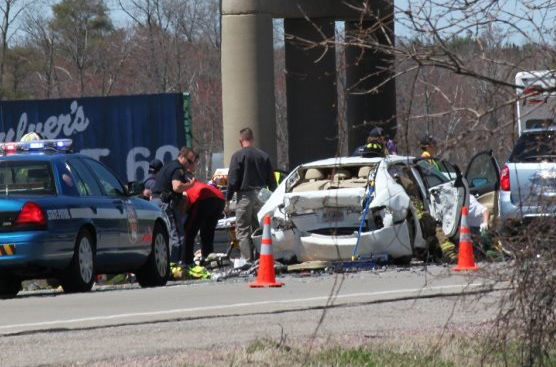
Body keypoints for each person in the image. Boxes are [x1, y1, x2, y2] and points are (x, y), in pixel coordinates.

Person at [226, 127, 276, 264]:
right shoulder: (263, 156)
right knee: (259, 228)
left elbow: (233, 180)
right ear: (252, 139)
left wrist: (228, 198)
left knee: (242, 229)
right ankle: (262, 258)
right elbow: (271, 181)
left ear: (240, 140)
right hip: (261, 195)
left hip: (244, 196)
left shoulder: (237, 156)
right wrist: (274, 197)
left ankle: (248, 260)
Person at [151, 147, 197, 263]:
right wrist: (190, 185)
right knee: (178, 235)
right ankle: (176, 265)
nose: (190, 165)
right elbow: (177, 187)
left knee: (161, 237)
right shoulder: (177, 169)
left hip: (156, 202)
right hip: (165, 203)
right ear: (181, 157)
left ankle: (165, 265)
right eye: (189, 161)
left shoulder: (169, 165)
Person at [183, 181, 226, 265]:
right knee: (208, 231)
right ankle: (208, 257)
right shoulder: (192, 184)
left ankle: (187, 261)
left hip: (203, 198)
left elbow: (185, 204)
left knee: (189, 231)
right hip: (220, 198)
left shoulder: (183, 189)